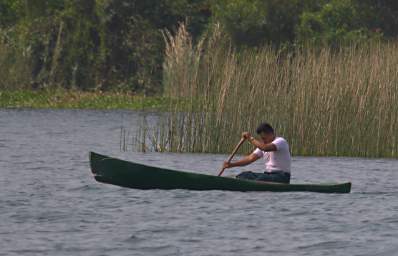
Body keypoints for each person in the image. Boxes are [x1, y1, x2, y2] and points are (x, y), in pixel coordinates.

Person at [223, 122, 292, 183]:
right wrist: (232, 165)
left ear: (271, 134)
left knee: (261, 179)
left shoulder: (280, 141)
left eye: (264, 138)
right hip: (268, 175)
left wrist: (250, 138)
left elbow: (265, 148)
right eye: (261, 138)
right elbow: (250, 158)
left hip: (282, 177)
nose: (263, 140)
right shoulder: (263, 145)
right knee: (245, 175)